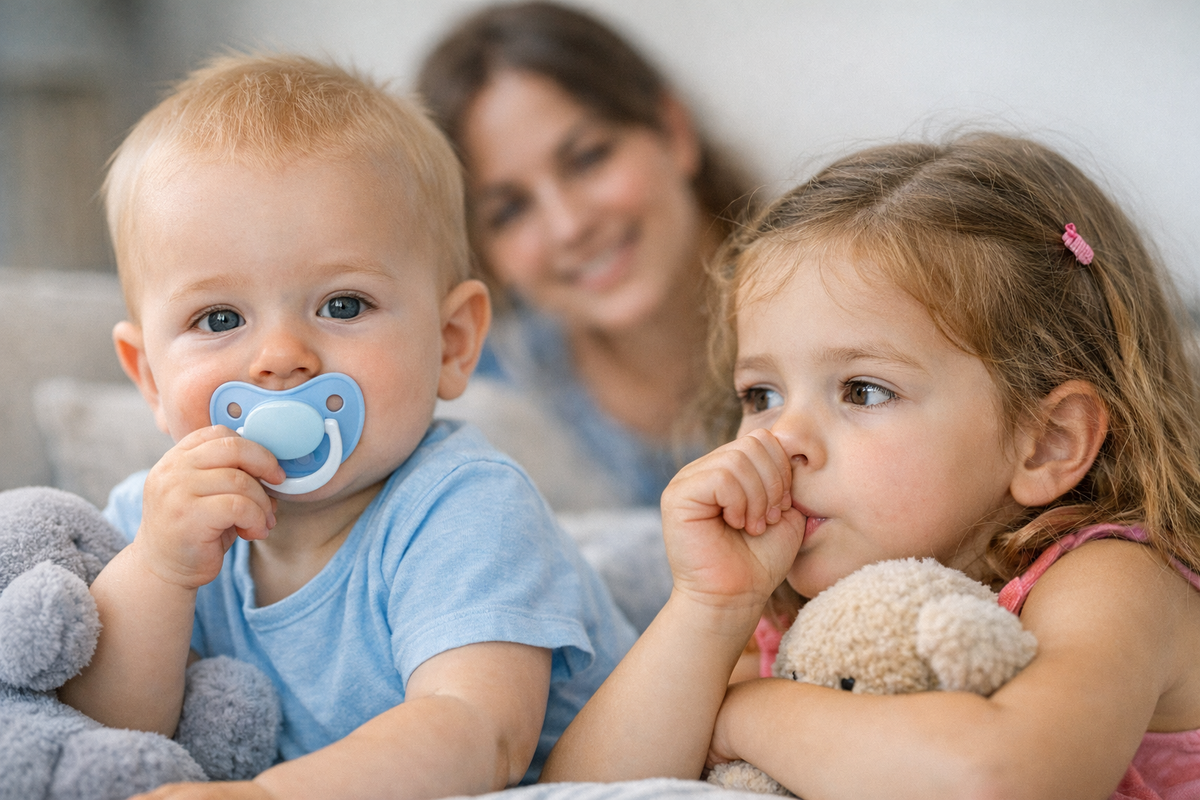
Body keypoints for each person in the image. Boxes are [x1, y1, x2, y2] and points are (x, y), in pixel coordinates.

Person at [541, 132, 1200, 799]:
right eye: (760, 395)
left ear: (1047, 442)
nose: (784, 439)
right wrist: (710, 606)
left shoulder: (1114, 578)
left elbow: (1002, 778)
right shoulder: (797, 614)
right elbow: (582, 792)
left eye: (862, 390)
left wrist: (741, 715)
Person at [58, 52, 636, 799]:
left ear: (453, 343)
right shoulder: (159, 520)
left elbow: (480, 732)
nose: (280, 358)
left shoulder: (463, 506)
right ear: (149, 378)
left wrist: (266, 796)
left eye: (343, 305)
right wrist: (162, 573)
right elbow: (102, 737)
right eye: (220, 318)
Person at [417, 1, 755, 511]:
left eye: (589, 157)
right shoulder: (474, 414)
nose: (569, 226)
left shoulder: (846, 299)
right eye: (509, 211)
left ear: (674, 131)